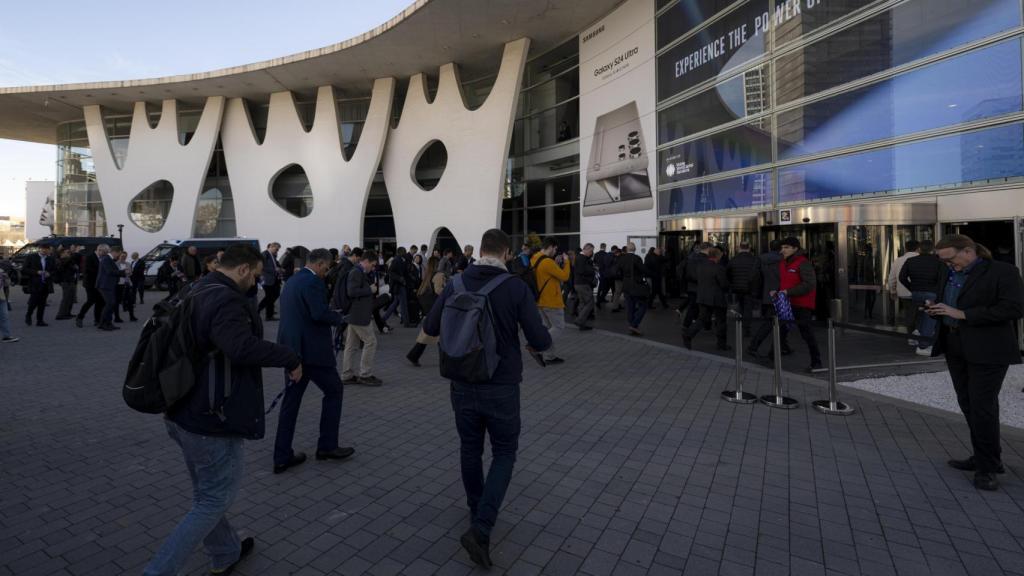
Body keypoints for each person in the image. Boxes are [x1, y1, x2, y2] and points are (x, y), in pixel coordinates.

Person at [145, 245, 302, 576]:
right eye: (256, 275)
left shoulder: (197, 287)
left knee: (206, 494)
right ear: (244, 269)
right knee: (211, 501)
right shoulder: (226, 299)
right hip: (209, 418)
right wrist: (289, 358)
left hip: (181, 410)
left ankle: (225, 552)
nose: (257, 283)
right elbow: (240, 347)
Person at [422, 228, 552, 568]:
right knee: (505, 453)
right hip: (501, 384)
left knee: (469, 448)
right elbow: (540, 338)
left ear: (480, 250)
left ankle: (475, 508)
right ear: (506, 254)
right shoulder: (515, 287)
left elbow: (431, 327)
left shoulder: (456, 283)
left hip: (462, 382)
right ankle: (481, 528)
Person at [927, 235, 1023, 491]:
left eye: (950, 259)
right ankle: (986, 456)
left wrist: (964, 314)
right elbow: (952, 300)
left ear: (968, 252)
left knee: (982, 407)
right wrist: (936, 307)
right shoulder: (948, 270)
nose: (947, 265)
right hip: (955, 345)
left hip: (988, 349)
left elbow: (1014, 308)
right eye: (943, 261)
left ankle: (988, 468)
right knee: (968, 404)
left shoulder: (1003, 271)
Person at [273, 249, 353, 474]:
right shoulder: (313, 282)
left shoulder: (292, 280)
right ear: (319, 264)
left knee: (290, 403)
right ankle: (327, 446)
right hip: (313, 353)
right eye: (326, 268)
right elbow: (318, 314)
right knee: (335, 391)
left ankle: (281, 455)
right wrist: (339, 318)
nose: (326, 273)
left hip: (292, 351)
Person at [774, 237, 822, 371]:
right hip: (786, 303)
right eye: (782, 247)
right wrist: (778, 291)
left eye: (786, 247)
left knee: (806, 333)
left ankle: (816, 361)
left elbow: (809, 284)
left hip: (802, 304)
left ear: (795, 248)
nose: (783, 250)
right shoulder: (783, 263)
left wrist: (788, 292)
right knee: (780, 331)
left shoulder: (803, 263)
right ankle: (772, 357)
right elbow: (785, 282)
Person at [341, 250, 383, 385]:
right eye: (373, 264)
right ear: (365, 261)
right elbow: (351, 292)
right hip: (359, 315)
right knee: (371, 342)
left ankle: (347, 374)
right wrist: (369, 290)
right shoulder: (356, 272)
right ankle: (365, 374)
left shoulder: (359, 272)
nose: (373, 267)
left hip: (356, 314)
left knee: (351, 345)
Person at [747, 240, 791, 358]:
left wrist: (757, 293)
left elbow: (753, 277)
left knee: (775, 321)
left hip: (766, 295)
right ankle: (755, 346)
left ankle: (782, 347)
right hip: (781, 294)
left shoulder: (761, 259)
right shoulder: (785, 260)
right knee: (775, 322)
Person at [899, 241, 944, 356]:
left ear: (919, 249)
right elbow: (941, 279)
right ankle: (923, 346)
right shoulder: (938, 262)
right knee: (930, 318)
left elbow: (902, 277)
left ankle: (917, 335)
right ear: (932, 250)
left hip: (916, 293)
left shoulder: (910, 261)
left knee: (920, 315)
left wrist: (912, 288)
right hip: (931, 293)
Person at [531, 237, 571, 364]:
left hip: (540, 300)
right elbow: (564, 276)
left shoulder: (535, 258)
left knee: (549, 327)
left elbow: (547, 275)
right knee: (558, 327)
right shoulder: (548, 262)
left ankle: (549, 356)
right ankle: (536, 347)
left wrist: (556, 263)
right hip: (551, 300)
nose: (555, 251)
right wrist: (567, 262)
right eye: (555, 249)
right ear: (550, 247)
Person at [683, 246, 730, 351]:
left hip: (703, 297)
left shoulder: (700, 267)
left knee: (702, 319)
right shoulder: (719, 268)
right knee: (721, 321)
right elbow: (724, 284)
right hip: (717, 298)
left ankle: (688, 335)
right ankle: (721, 344)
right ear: (717, 256)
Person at [406, 255, 447, 366]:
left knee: (427, 334)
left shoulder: (428, 275)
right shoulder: (439, 275)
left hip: (429, 309)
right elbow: (438, 291)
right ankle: (445, 361)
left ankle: (414, 355)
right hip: (437, 309)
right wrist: (448, 290)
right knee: (442, 335)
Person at [888, 240, 920, 340]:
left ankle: (911, 336)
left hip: (904, 292)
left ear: (905, 248)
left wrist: (893, 291)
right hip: (920, 292)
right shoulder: (921, 259)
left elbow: (891, 278)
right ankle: (921, 335)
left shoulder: (898, 260)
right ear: (918, 248)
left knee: (909, 314)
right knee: (920, 314)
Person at [725, 243, 758, 336]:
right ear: (749, 248)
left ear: (739, 248)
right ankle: (746, 328)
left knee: (741, 306)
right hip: (750, 288)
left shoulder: (734, 259)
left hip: (737, 287)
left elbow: (727, 273)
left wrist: (732, 283)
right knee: (748, 308)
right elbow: (758, 274)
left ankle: (741, 323)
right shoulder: (754, 259)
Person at [619, 243, 648, 336]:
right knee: (643, 305)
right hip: (635, 286)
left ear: (627, 249)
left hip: (626, 286)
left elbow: (618, 271)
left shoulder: (621, 258)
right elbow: (643, 270)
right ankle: (633, 325)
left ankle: (633, 327)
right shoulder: (637, 258)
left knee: (630, 307)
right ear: (634, 249)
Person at [679, 243, 711, 329]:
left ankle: (688, 324)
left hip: (692, 287)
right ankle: (703, 325)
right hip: (699, 287)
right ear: (707, 249)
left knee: (694, 307)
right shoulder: (704, 259)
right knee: (701, 307)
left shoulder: (692, 258)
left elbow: (688, 273)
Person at [22, 244, 54, 326]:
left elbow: (55, 270)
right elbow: (24, 269)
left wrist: (49, 273)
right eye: (43, 249)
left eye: (46, 249)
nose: (44, 250)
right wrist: (36, 272)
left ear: (49, 250)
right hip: (35, 283)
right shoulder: (32, 257)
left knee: (42, 303)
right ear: (39, 249)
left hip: (46, 283)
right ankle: (28, 315)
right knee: (33, 301)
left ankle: (40, 320)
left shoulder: (50, 259)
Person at [75, 247, 103, 328]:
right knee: (91, 300)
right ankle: (80, 317)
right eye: (104, 252)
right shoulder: (90, 257)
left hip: (98, 283)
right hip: (90, 283)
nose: (105, 254)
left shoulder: (101, 257)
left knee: (100, 301)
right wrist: (101, 271)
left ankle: (97, 320)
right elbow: (88, 269)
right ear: (99, 250)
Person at [96, 245, 122, 331]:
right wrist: (122, 272)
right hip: (105, 285)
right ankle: (104, 323)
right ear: (115, 252)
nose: (118, 256)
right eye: (119, 254)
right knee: (110, 304)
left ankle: (106, 323)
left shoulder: (107, 259)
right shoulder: (106, 259)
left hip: (107, 285)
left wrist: (122, 273)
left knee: (110, 304)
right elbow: (109, 271)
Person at [573, 244, 596, 331]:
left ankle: (582, 324)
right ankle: (579, 320)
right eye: (591, 251)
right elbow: (582, 271)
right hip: (583, 284)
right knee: (590, 303)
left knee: (582, 303)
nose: (591, 253)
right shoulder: (582, 258)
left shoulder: (580, 257)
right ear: (586, 249)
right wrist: (592, 270)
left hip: (578, 284)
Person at [257, 242, 282, 321]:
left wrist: (278, 269)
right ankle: (260, 311)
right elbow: (262, 266)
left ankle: (269, 314)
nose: (277, 251)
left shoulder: (272, 255)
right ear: (272, 246)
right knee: (269, 297)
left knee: (273, 296)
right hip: (267, 280)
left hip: (273, 279)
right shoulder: (265, 254)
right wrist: (274, 270)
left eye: (278, 250)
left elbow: (274, 264)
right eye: (276, 249)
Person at [55, 247, 79, 320]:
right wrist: (74, 253)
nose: (69, 254)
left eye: (69, 252)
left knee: (71, 298)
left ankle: (68, 313)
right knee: (66, 298)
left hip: (71, 280)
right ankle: (60, 314)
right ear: (62, 254)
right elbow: (64, 266)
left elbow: (73, 266)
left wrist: (75, 267)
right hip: (65, 281)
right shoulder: (60, 260)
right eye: (67, 252)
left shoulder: (69, 260)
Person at [117, 251, 137, 322]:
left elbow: (131, 273)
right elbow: (115, 273)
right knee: (118, 301)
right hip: (119, 284)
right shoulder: (116, 264)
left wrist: (129, 272)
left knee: (130, 300)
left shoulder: (128, 263)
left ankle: (132, 316)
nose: (124, 257)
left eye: (125, 256)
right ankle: (117, 317)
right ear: (119, 256)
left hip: (127, 283)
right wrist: (123, 272)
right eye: (122, 256)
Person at [0, 266, 18, 342]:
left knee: (4, 316)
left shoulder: (0, 270)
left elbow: (7, 284)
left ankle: (6, 336)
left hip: (1, 296)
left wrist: (6, 278)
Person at [593, 243, 611, 308]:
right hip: (605, 273)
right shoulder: (606, 254)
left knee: (601, 285)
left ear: (600, 247)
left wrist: (597, 270)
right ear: (605, 247)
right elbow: (608, 264)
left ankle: (599, 298)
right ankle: (600, 299)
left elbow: (594, 263)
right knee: (605, 286)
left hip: (599, 272)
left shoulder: (596, 254)